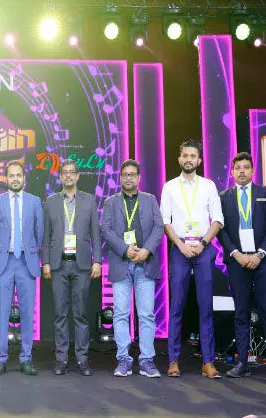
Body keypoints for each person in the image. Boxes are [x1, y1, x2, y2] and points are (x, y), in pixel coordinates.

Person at [218, 152, 266, 382]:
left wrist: (260, 254)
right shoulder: (224, 197)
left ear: (252, 171)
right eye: (238, 168)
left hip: (264, 262)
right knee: (241, 313)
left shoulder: (265, 193)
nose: (242, 171)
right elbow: (220, 229)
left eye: (246, 167)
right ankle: (242, 363)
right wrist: (236, 254)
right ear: (232, 172)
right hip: (237, 261)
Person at [160, 140, 224, 378]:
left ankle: (208, 362)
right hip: (180, 249)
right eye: (185, 155)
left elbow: (217, 220)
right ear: (179, 159)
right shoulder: (169, 187)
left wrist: (203, 244)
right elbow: (165, 221)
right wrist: (181, 245)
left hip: (203, 248)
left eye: (192, 156)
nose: (188, 159)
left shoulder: (208, 186)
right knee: (176, 306)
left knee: (206, 307)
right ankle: (173, 360)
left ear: (199, 160)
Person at [100, 159, 164, 378]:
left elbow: (159, 227)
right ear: (120, 177)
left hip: (145, 263)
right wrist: (125, 249)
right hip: (121, 263)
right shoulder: (110, 202)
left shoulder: (150, 199)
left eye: (132, 174)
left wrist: (146, 250)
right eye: (125, 174)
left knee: (146, 315)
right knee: (120, 314)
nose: (128, 178)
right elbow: (106, 230)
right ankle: (124, 360)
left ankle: (146, 360)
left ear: (138, 178)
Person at [42, 159, 101, 377]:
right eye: (64, 172)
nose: (68, 175)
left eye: (71, 172)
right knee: (60, 314)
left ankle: (83, 360)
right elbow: (46, 235)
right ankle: (61, 360)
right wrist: (45, 262)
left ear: (77, 176)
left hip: (82, 264)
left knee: (80, 314)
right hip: (58, 264)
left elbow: (96, 233)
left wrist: (97, 260)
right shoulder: (51, 201)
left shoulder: (89, 200)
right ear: (60, 177)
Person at [0, 160, 44, 376]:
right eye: (11, 175)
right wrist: (3, 249)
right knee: (2, 313)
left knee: (27, 313)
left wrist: (29, 250)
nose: (15, 179)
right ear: (6, 179)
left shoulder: (35, 201)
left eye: (18, 175)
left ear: (24, 178)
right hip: (5, 262)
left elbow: (39, 232)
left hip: (26, 263)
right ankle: (0, 359)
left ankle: (26, 359)